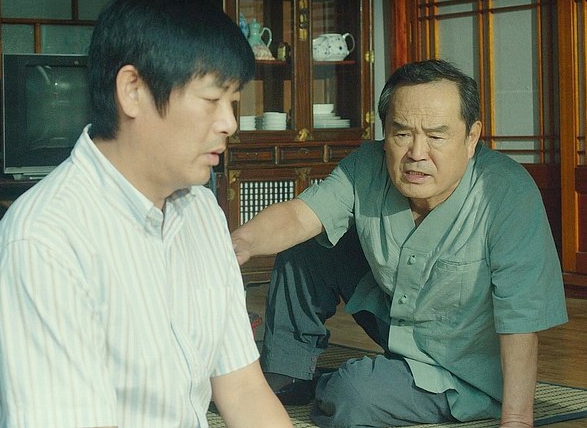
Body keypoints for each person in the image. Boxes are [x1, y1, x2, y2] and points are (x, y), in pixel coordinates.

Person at [0, 0, 293, 428]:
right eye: (212, 100)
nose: (230, 123)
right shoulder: (43, 242)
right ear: (132, 90)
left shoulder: (201, 212)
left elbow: (244, 389)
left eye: (233, 103)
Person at [231, 59, 569, 428]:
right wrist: (238, 244)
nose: (417, 153)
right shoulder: (368, 164)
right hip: (396, 323)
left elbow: (520, 317)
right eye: (402, 133)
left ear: (472, 137)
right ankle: (288, 375)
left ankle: (339, 383)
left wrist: (517, 419)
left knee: (353, 393)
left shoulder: (506, 193)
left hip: (459, 371)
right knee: (309, 238)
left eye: (436, 136)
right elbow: (299, 217)